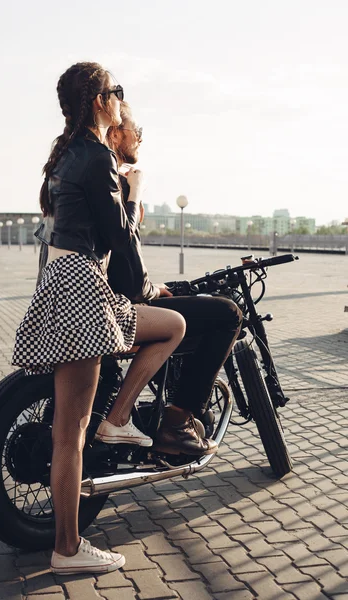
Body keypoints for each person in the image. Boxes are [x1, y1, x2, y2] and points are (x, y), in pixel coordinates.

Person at [12, 62, 186, 575]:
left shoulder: (66, 155)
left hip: (62, 282)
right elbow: (120, 239)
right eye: (116, 91)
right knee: (70, 432)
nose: (119, 98)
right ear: (98, 102)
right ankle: (68, 548)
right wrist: (147, 281)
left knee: (169, 327)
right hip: (84, 289)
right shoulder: (95, 158)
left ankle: (120, 420)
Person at [106, 102, 243, 455]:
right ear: (118, 133)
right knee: (226, 314)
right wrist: (149, 290)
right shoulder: (117, 182)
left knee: (185, 309)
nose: (140, 140)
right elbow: (124, 251)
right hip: (119, 304)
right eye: (138, 133)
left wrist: (155, 288)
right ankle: (178, 420)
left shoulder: (83, 175)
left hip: (103, 294)